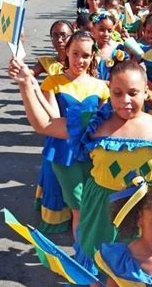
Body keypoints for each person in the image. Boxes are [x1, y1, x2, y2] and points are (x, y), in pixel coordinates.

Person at [8, 57, 152, 287]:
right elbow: (44, 124)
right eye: (117, 93)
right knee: (99, 274)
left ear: (147, 91)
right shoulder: (93, 124)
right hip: (100, 213)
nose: (125, 101)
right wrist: (26, 83)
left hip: (143, 217)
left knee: (137, 278)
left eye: (133, 92)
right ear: (109, 90)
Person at [37, 31, 109, 239]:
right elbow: (52, 118)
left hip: (91, 154)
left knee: (89, 203)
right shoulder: (53, 82)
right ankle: (82, 253)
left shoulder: (100, 86)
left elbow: (104, 124)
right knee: (77, 205)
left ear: (92, 57)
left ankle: (87, 249)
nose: (80, 60)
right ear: (66, 52)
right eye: (75, 53)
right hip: (63, 151)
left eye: (86, 55)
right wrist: (31, 89)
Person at [30, 20, 74, 233]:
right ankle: (56, 216)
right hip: (55, 124)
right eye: (55, 35)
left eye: (64, 35)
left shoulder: (82, 63)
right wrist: (19, 69)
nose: (59, 40)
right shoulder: (47, 63)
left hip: (79, 126)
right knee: (53, 169)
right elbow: (28, 78)